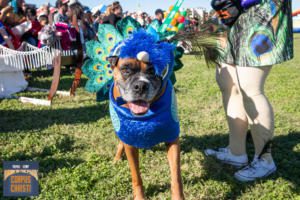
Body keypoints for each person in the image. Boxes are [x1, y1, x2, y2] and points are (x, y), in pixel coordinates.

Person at [205, 0, 294, 182]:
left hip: (261, 10)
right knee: (227, 83)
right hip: (233, 15)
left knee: (250, 88)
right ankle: (236, 152)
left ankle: (265, 160)